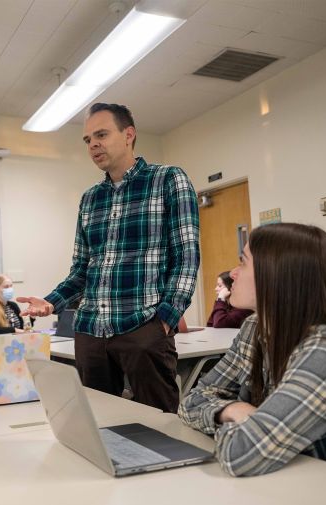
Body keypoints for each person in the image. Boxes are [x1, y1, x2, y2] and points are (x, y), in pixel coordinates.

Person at [179, 223, 326, 484]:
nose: (233, 272)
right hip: (313, 480)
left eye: (243, 262)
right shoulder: (256, 327)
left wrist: (240, 423)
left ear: (278, 276)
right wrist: (233, 409)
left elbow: (241, 454)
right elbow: (191, 401)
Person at [18, 103, 200, 413]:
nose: (93, 145)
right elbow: (81, 271)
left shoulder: (167, 179)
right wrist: (52, 303)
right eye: (88, 140)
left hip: (143, 325)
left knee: (160, 425)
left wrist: (166, 319)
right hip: (90, 331)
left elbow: (186, 257)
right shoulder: (90, 198)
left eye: (101, 134)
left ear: (129, 134)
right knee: (98, 424)